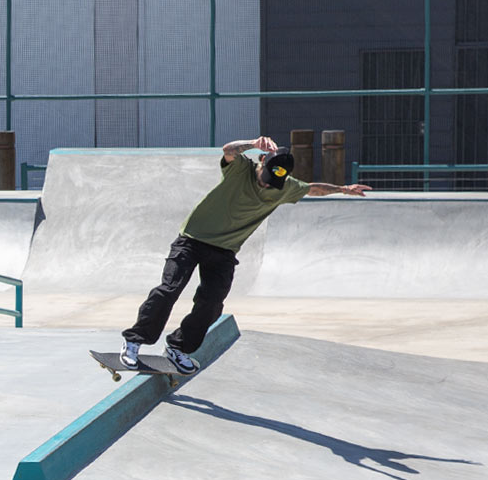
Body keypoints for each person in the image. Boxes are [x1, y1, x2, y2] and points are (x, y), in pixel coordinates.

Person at [122, 136, 370, 375]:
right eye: (264, 178)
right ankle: (134, 341)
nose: (266, 185)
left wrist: (343, 189)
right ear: (261, 163)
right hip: (192, 240)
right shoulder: (241, 169)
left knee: (212, 304)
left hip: (225, 251)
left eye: (272, 182)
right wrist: (252, 144)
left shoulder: (285, 188)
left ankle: (177, 347)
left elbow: (312, 189)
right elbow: (228, 150)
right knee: (169, 290)